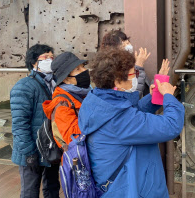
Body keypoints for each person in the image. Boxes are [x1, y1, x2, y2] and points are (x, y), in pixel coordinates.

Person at [78, 48, 185, 197]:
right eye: (132, 74)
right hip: (127, 188)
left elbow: (134, 112)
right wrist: (169, 97)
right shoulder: (118, 118)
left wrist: (153, 96)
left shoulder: (98, 100)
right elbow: (170, 126)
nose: (135, 77)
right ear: (117, 81)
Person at [10, 44, 60, 198]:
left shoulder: (54, 83)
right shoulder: (24, 86)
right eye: (45, 57)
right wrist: (29, 153)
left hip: (50, 149)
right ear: (33, 62)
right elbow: (19, 124)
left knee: (52, 188)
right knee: (30, 191)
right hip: (32, 150)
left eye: (52, 57)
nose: (50, 60)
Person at [43, 52, 91, 149]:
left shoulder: (85, 93)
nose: (84, 71)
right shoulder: (62, 104)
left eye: (83, 66)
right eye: (77, 69)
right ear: (66, 79)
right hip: (80, 159)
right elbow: (73, 138)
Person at [101, 30, 170, 96]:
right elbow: (134, 96)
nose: (129, 45)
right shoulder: (111, 69)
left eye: (128, 42)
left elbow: (147, 91)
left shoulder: (131, 65)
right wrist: (139, 66)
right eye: (124, 43)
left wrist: (159, 78)